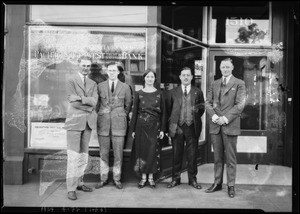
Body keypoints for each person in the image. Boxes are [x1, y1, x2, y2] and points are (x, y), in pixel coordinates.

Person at [205, 58, 246, 198]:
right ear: (220, 68)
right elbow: (207, 103)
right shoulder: (214, 83)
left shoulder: (239, 83)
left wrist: (225, 118)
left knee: (230, 158)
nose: (225, 69)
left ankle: (231, 186)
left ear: (232, 67)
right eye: (223, 67)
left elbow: (240, 105)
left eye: (228, 67)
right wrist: (215, 117)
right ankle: (217, 183)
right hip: (216, 125)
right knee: (217, 157)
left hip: (230, 125)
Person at [63, 56, 98, 200]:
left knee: (83, 155)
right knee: (73, 156)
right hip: (74, 122)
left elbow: (94, 101)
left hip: (87, 124)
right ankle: (71, 188)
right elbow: (73, 102)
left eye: (88, 66)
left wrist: (81, 98)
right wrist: (88, 105)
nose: (85, 68)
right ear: (79, 65)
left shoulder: (93, 83)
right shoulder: (71, 80)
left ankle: (79, 182)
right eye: (83, 65)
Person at [95, 62, 133, 189]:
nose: (111, 72)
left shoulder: (126, 87)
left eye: (114, 70)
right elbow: (97, 105)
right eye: (109, 70)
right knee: (103, 154)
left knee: (118, 155)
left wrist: (120, 114)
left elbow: (128, 105)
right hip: (103, 125)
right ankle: (103, 178)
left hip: (119, 125)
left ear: (118, 72)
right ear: (107, 72)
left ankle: (117, 179)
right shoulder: (99, 86)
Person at [167, 67, 205, 189]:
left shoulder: (197, 92)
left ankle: (192, 180)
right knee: (176, 155)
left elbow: (201, 109)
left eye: (188, 75)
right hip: (177, 127)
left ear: (192, 77)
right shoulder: (173, 92)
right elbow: (169, 110)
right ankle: (175, 179)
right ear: (180, 77)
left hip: (192, 127)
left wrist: (192, 119)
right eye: (183, 75)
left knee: (192, 155)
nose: (186, 77)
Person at [128, 70, 166, 189]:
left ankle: (151, 178)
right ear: (144, 78)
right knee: (142, 152)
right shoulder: (138, 93)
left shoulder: (160, 94)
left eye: (152, 77)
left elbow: (164, 113)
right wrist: (133, 130)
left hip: (155, 127)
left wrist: (162, 130)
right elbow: (134, 113)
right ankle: (143, 178)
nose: (150, 79)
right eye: (148, 76)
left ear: (155, 79)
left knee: (152, 152)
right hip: (140, 127)